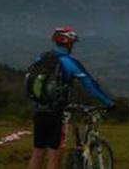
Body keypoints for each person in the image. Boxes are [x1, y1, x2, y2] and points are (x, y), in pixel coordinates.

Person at [27, 26, 115, 169]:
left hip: (39, 110)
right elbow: (90, 86)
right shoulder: (69, 62)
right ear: (68, 43)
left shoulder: (41, 58)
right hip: (57, 113)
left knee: (37, 153)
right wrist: (109, 102)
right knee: (54, 156)